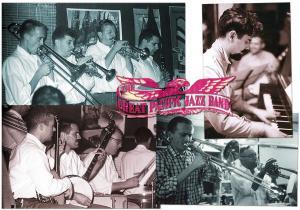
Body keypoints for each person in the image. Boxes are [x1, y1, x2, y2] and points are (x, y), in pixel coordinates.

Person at [203, 8, 287, 138]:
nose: (248, 47)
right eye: (247, 41)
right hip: (210, 133)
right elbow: (223, 123)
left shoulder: (223, 60)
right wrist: (264, 129)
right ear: (232, 36)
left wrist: (257, 111)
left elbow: (232, 99)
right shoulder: (209, 68)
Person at [9, 107, 75, 208]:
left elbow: (36, 171)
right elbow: (47, 188)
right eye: (52, 126)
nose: (54, 129)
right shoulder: (33, 151)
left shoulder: (23, 146)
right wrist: (67, 183)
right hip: (28, 205)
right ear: (41, 127)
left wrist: (53, 157)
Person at [156, 116, 221, 204]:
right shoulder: (159, 157)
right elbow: (160, 192)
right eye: (183, 135)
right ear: (170, 134)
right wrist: (192, 166)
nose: (188, 139)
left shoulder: (195, 156)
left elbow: (216, 178)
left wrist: (204, 156)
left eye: (190, 135)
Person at [47, 121, 108, 207]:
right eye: (76, 134)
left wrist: (98, 164)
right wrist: (75, 196)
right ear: (63, 135)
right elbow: (53, 188)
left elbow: (84, 179)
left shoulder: (73, 155)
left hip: (76, 204)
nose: (79, 137)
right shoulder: (51, 156)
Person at [3, 19, 54, 105]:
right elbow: (21, 100)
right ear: (26, 36)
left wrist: (50, 71)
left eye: (43, 39)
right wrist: (39, 73)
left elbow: (51, 91)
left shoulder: (37, 58)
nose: (42, 43)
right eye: (40, 38)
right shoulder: (12, 62)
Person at [83, 124, 139, 195]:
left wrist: (131, 180)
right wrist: (126, 184)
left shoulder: (108, 157)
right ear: (107, 140)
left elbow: (114, 181)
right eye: (118, 142)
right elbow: (101, 188)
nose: (120, 145)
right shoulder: (93, 158)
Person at [86, 19, 133, 101]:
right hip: (102, 97)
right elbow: (98, 71)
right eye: (110, 32)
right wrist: (114, 49)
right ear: (100, 35)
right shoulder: (92, 49)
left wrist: (127, 56)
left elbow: (128, 77)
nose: (114, 35)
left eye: (114, 32)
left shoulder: (117, 53)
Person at [50, 26, 95, 104]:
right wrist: (77, 70)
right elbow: (56, 92)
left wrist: (89, 73)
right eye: (69, 42)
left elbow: (88, 87)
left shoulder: (74, 59)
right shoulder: (49, 63)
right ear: (57, 42)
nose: (73, 46)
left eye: (73, 43)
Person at [233, 35, 279, 101]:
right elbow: (238, 80)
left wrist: (272, 73)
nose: (252, 46)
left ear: (262, 45)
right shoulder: (245, 59)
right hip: (248, 90)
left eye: (256, 44)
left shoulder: (270, 57)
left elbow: (274, 79)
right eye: (251, 43)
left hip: (266, 90)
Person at [121, 127, 155, 194]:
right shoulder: (154, 155)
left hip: (128, 198)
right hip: (148, 197)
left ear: (135, 140)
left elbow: (122, 180)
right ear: (149, 140)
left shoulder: (125, 156)